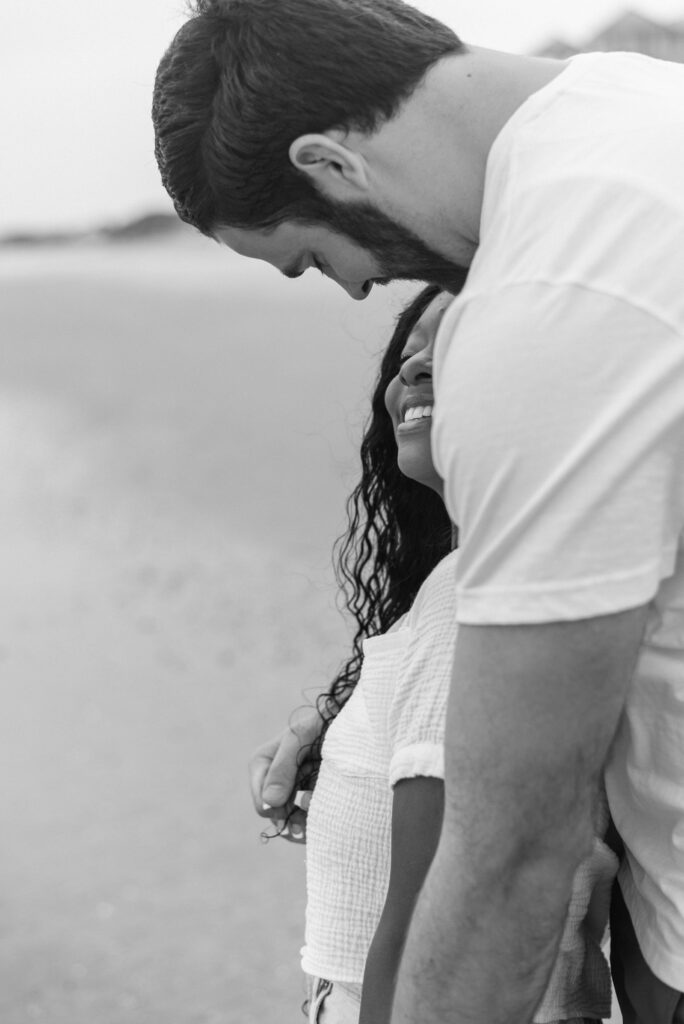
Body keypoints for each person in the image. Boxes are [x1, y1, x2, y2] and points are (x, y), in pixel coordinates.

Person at [152, 3, 684, 1020]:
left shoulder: (548, 304)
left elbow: (515, 851)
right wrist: (370, 710)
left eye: (308, 258)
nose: (358, 293)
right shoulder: (644, 110)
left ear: (330, 164)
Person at [294, 284, 617, 1024]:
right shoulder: (514, 574)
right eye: (407, 355)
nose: (414, 369)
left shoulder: (472, 591)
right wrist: (327, 739)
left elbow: (424, 925)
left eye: (451, 344)